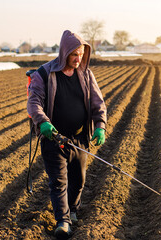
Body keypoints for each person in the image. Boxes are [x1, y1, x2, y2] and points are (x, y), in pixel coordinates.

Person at [27, 30, 107, 238]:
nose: (78, 58)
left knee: (78, 180)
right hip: (54, 137)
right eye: (74, 54)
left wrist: (100, 125)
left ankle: (72, 210)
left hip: (79, 137)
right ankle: (62, 221)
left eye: (81, 54)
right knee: (59, 182)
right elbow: (34, 101)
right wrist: (42, 122)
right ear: (64, 53)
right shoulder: (45, 74)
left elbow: (98, 103)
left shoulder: (86, 74)